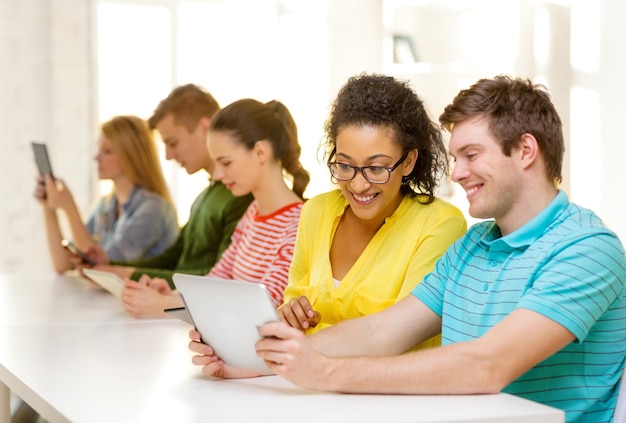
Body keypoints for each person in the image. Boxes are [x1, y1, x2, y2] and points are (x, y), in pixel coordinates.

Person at [189, 75, 626, 423]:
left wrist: (325, 372)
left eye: (471, 155)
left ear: (526, 150)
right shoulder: (473, 247)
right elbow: (379, 333)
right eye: (456, 157)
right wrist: (257, 360)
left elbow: (487, 366)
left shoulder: (586, 250)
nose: (457, 173)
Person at [277, 73, 466, 338]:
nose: (357, 185)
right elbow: (290, 308)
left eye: (376, 168)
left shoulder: (439, 224)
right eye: (345, 165)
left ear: (409, 162)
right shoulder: (316, 211)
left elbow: (396, 337)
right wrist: (288, 316)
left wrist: (298, 343)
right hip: (303, 379)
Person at [122, 98, 310, 317]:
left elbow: (263, 306)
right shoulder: (252, 214)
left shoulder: (300, 225)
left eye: (226, 163)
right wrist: (172, 296)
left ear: (260, 152)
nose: (218, 174)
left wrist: (164, 307)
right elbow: (218, 280)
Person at [90, 84, 253, 288]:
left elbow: (219, 279)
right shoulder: (206, 196)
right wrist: (115, 267)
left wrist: (128, 273)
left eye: (173, 143)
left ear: (205, 128)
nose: (167, 155)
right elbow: (173, 258)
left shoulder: (239, 197)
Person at [35, 115, 179, 273]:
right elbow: (63, 265)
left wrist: (70, 207)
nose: (97, 158)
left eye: (107, 151)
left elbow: (100, 270)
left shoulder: (154, 209)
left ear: (131, 156)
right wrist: (49, 208)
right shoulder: (107, 205)